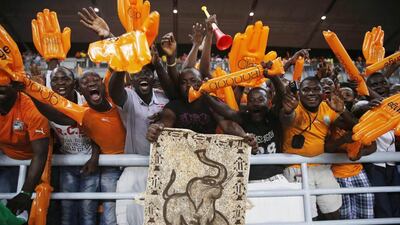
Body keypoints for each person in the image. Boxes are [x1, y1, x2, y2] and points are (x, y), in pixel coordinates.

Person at [280, 76, 350, 220]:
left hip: (322, 167)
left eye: (315, 89)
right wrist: (287, 112)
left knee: (333, 212)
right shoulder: (293, 106)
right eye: (306, 90)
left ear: (322, 92)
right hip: (297, 168)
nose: (311, 93)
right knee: (306, 215)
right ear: (299, 93)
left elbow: (353, 127)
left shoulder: (327, 107)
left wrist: (342, 110)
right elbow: (286, 120)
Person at [146, 67, 257, 147]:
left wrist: (245, 136)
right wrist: (155, 128)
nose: (189, 85)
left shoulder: (211, 102)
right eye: (183, 82)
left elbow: (228, 125)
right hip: (182, 158)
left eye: (193, 81)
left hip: (208, 156)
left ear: (202, 82)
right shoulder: (173, 106)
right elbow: (164, 124)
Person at [47, 66, 100, 225]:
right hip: (66, 164)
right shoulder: (48, 104)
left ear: (74, 83)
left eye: (65, 79)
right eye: (55, 80)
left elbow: (100, 132)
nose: (60, 83)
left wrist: (94, 157)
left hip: (90, 163)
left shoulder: (87, 101)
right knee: (67, 211)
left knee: (87, 211)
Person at [0, 76, 49, 215]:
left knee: (24, 209)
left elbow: (40, 154)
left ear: (16, 87)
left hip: (32, 162)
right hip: (6, 158)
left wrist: (26, 192)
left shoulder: (33, 109)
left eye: (3, 82)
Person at [363, 72, 400, 218]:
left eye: (383, 83)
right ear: (368, 88)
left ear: (389, 84)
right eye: (374, 85)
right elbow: (357, 110)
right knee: (382, 205)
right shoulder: (365, 105)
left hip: (392, 163)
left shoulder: (396, 106)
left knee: (396, 202)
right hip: (374, 165)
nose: (380, 87)